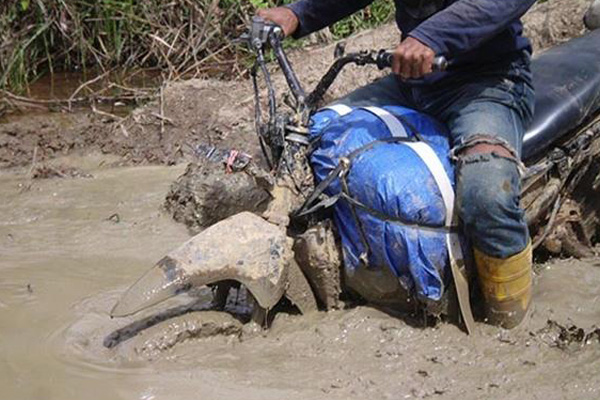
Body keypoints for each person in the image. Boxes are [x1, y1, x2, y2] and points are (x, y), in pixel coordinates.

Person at [258, 0, 537, 329]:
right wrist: (297, 14)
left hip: (489, 82)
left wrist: (431, 37)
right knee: (312, 137)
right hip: (413, 83)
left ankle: (509, 325)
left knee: (487, 193)